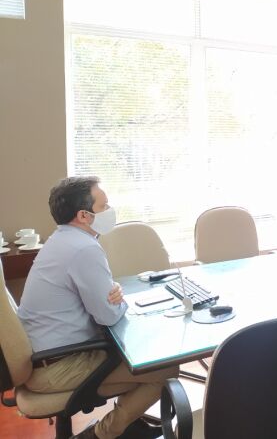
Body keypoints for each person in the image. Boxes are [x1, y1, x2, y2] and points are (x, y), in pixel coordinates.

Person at [17, 177, 178, 439]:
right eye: (104, 206)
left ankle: (127, 424)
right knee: (164, 370)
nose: (110, 211)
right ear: (84, 215)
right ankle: (102, 434)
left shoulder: (62, 240)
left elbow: (96, 295)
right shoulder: (83, 249)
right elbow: (108, 315)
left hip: (44, 357)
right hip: (57, 366)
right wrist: (119, 298)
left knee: (133, 353)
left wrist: (111, 291)